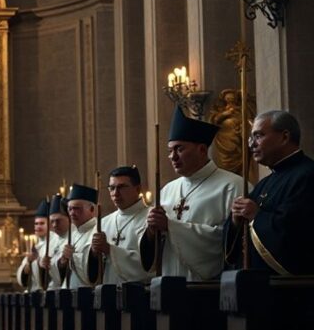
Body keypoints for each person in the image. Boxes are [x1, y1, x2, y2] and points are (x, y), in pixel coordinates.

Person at [142, 107, 244, 280]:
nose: (172, 157)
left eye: (179, 149)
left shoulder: (232, 186)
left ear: (202, 150)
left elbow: (230, 242)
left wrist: (171, 226)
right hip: (169, 285)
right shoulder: (167, 190)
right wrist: (152, 231)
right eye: (170, 151)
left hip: (210, 289)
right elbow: (153, 251)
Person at [224, 110, 314, 275]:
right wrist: (236, 222)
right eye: (252, 138)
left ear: (284, 137)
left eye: (258, 136)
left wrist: (256, 216)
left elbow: (298, 233)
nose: (251, 144)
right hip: (257, 284)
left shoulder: (307, 175)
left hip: (292, 289)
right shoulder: (264, 183)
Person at [87, 166, 152, 284]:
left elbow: (150, 264)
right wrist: (94, 252)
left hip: (140, 292)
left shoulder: (151, 217)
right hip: (109, 290)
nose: (115, 193)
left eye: (122, 187)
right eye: (111, 188)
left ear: (137, 189)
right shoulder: (104, 222)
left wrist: (110, 250)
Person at [16, 198, 62, 291]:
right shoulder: (35, 245)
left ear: (51, 224)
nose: (38, 226)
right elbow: (23, 278)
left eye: (42, 223)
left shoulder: (56, 242)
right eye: (36, 224)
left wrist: (40, 263)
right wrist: (28, 264)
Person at [60, 184, 98, 288]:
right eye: (69, 209)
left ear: (91, 209)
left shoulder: (98, 231)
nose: (72, 213)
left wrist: (73, 257)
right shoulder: (72, 233)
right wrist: (63, 261)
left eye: (77, 209)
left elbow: (96, 268)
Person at [47, 194, 73, 288]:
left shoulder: (74, 237)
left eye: (58, 221)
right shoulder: (51, 240)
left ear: (69, 218)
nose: (54, 225)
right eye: (52, 221)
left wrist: (63, 263)